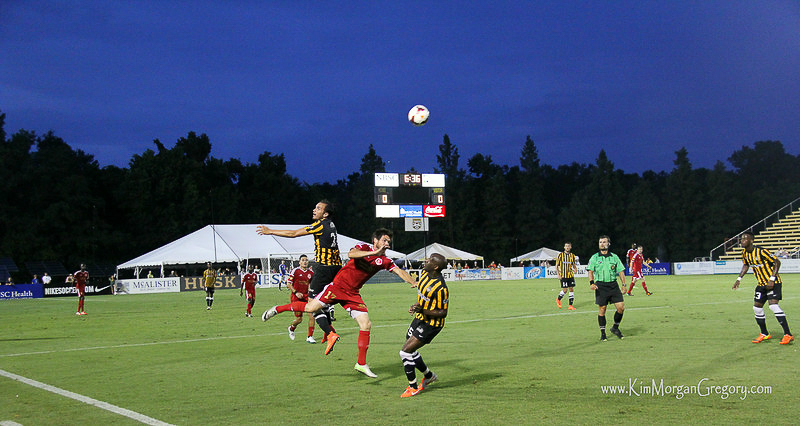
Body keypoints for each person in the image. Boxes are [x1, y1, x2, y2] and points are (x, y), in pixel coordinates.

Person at [263, 228, 418, 378]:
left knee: (366, 324)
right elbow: (352, 254)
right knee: (310, 308)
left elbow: (399, 271)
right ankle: (278, 309)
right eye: (384, 240)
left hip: (353, 294)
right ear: (375, 240)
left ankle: (361, 364)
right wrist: (374, 252)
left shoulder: (385, 260)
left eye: (389, 242)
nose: (387, 244)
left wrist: (413, 281)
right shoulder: (364, 247)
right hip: (337, 287)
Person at [257, 199, 342, 339]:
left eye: (318, 208)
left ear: (325, 214)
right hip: (336, 268)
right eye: (315, 207)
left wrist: (270, 231)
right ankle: (329, 332)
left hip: (324, 269)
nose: (314, 210)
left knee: (311, 305)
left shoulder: (319, 225)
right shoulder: (332, 225)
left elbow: (293, 234)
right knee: (323, 303)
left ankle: (330, 333)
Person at [399, 253, 449, 397]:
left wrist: (423, 309)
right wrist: (416, 307)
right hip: (419, 318)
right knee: (410, 349)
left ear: (436, 266)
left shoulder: (441, 288)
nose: (426, 261)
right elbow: (422, 297)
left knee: (405, 352)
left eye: (429, 260)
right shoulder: (424, 274)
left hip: (431, 324)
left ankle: (413, 387)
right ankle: (429, 376)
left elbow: (443, 312)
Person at [732, 231, 794, 345]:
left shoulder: (761, 251)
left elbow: (777, 262)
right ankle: (764, 334)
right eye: (741, 239)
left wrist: (772, 279)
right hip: (761, 284)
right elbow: (746, 264)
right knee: (757, 308)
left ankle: (788, 334)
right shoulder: (745, 253)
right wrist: (739, 279)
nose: (742, 241)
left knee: (773, 306)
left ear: (751, 241)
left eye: (745, 239)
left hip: (773, 283)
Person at [587, 235, 627, 341]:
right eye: (600, 242)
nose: (602, 244)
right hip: (600, 286)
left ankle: (615, 328)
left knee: (621, 308)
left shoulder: (614, 257)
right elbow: (590, 271)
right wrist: (591, 283)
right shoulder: (595, 257)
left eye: (604, 242)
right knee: (602, 309)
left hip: (613, 285)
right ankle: (603, 333)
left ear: (608, 244)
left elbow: (621, 271)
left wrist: (624, 284)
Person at [286, 254, 317, 343]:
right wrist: (296, 292)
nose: (305, 262)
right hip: (296, 298)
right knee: (299, 319)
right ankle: (291, 328)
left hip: (306, 297)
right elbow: (288, 284)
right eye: (303, 260)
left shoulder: (311, 273)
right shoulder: (295, 271)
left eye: (306, 260)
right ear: (299, 262)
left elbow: (313, 285)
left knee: (312, 315)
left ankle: (310, 336)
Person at [556, 242, 578, 310]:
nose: (567, 247)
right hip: (563, 275)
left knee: (571, 289)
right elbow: (556, 265)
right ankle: (558, 299)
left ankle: (570, 305)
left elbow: (573, 264)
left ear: (571, 247)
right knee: (565, 290)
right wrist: (558, 274)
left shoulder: (572, 255)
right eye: (566, 246)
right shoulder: (560, 255)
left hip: (570, 275)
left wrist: (575, 269)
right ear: (564, 247)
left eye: (568, 246)